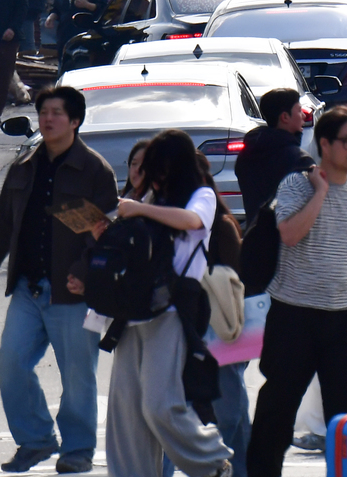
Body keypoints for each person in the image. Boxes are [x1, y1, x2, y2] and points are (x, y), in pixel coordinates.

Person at [0, 86, 119, 474]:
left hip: (72, 292)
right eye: (43, 112)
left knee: (77, 378)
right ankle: (35, 440)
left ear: (75, 121)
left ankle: (78, 450)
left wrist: (85, 274)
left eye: (56, 113)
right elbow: (4, 224)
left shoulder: (94, 170)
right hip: (27, 286)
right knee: (11, 362)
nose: (47, 119)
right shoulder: (24, 165)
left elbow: (103, 234)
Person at [95, 130, 233, 477]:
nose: (153, 173)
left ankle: (213, 463)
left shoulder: (201, 195)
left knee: (160, 404)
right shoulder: (149, 197)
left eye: (158, 166)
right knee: (125, 413)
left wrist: (139, 208)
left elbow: (193, 221)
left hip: (171, 309)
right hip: (131, 311)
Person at [248, 107, 347, 477]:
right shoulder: (295, 185)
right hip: (294, 315)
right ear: (324, 143)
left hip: (345, 318)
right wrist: (320, 191)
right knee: (277, 412)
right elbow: (289, 233)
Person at [233, 88, 312, 216]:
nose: (303, 116)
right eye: (299, 110)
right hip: (288, 233)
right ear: (285, 117)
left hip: (255, 232)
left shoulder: (248, 154)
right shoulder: (299, 161)